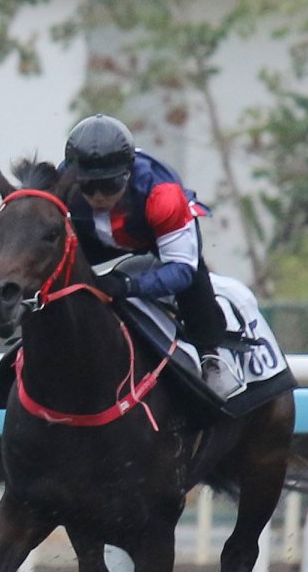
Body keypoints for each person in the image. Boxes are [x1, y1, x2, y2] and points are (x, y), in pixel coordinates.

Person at [61, 114, 245, 400]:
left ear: (127, 174)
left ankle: (211, 355)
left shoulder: (163, 194)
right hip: (97, 236)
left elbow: (181, 270)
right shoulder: (64, 185)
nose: (97, 196)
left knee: (194, 274)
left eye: (108, 185)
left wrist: (128, 286)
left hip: (156, 233)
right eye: (88, 186)